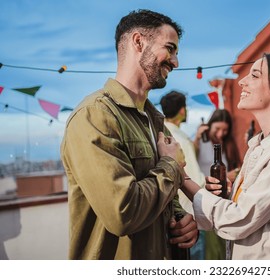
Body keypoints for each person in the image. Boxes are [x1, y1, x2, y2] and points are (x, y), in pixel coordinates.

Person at [60, 9, 198, 260]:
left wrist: (182, 219)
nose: (176, 62)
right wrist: (170, 164)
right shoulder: (94, 116)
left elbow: (165, 196)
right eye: (170, 48)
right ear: (138, 42)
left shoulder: (154, 121)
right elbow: (122, 213)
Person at [181, 53, 270, 259]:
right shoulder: (260, 145)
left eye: (255, 75)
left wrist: (181, 177)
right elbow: (253, 211)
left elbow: (239, 219)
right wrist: (228, 196)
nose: (242, 81)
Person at [160, 90, 206, 260]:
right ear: (182, 110)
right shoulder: (179, 139)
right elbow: (196, 180)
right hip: (188, 217)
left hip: (170, 214)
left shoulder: (163, 135)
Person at [193, 108, 242, 260]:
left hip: (223, 200)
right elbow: (190, 165)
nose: (221, 133)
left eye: (225, 130)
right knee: (210, 251)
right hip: (203, 199)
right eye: (217, 129)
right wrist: (196, 137)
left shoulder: (227, 144)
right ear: (209, 125)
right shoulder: (201, 140)